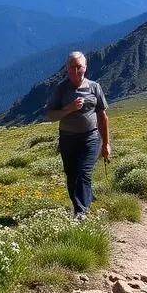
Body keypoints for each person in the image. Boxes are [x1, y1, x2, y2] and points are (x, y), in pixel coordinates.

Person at [44, 51, 111, 218]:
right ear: (66, 68)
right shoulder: (61, 89)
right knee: (72, 175)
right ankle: (81, 204)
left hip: (91, 137)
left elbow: (102, 116)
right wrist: (69, 108)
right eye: (72, 67)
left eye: (79, 67)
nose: (75, 71)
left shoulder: (94, 87)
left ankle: (81, 212)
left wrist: (106, 143)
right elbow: (51, 116)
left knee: (83, 173)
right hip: (68, 139)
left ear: (85, 67)